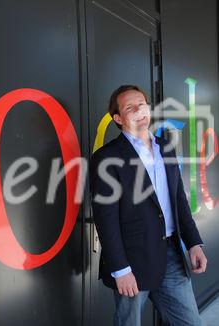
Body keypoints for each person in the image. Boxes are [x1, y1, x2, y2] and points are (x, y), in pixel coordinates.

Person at [89, 85, 208, 326]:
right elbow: (106, 219)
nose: (139, 110)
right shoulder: (106, 157)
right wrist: (121, 269)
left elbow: (178, 201)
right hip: (131, 259)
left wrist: (193, 242)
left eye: (142, 104)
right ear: (118, 118)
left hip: (171, 255)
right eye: (130, 107)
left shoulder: (165, 147)